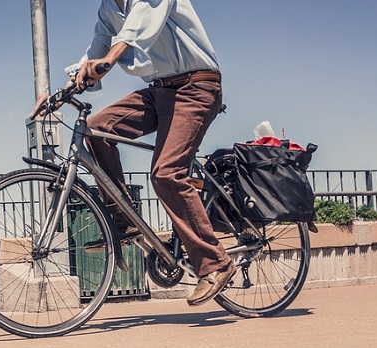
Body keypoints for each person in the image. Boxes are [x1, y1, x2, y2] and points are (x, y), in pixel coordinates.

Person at [38, 0, 235, 306]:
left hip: (197, 87)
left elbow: (137, 29)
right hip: (161, 90)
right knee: (98, 128)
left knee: (167, 173)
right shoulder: (107, 10)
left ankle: (215, 263)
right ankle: (123, 217)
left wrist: (111, 58)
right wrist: (60, 94)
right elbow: (95, 51)